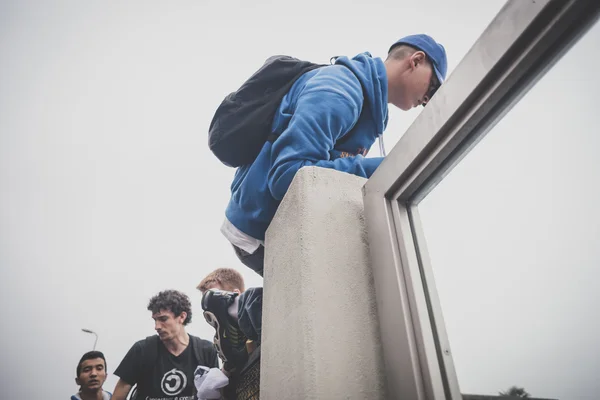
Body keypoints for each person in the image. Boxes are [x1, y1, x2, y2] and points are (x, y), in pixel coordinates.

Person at [207, 34, 448, 371]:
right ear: (416, 60)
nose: (429, 99)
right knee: (337, 306)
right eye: (433, 87)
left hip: (280, 224)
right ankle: (236, 309)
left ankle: (243, 323)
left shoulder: (370, 109)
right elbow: (288, 175)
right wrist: (385, 169)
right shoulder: (341, 89)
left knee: (340, 306)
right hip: (259, 226)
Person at [111, 289, 219, 400]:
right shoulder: (142, 350)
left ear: (182, 317)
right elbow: (119, 394)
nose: (157, 326)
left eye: (163, 319)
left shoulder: (206, 351)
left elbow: (215, 394)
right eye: (155, 320)